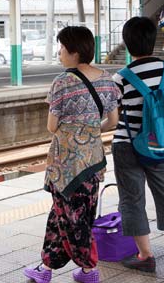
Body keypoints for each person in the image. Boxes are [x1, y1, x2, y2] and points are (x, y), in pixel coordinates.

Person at [23, 26, 121, 283]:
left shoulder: (62, 82)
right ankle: (45, 268)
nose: (59, 53)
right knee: (65, 214)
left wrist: (73, 129)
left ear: (74, 51)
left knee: (72, 218)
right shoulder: (107, 79)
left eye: (62, 48)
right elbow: (112, 121)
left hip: (66, 165)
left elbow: (52, 126)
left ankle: (89, 269)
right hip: (92, 161)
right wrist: (90, 129)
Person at [112, 16, 164, 273]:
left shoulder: (121, 77)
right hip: (161, 142)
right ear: (153, 40)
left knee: (132, 199)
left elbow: (115, 116)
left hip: (127, 145)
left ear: (127, 43)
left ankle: (146, 255)